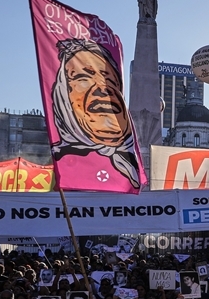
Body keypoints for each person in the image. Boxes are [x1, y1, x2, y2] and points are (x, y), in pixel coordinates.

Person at [49, 38, 141, 189]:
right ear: (63, 97)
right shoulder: (62, 162)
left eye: (108, 79)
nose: (102, 88)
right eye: (83, 77)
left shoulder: (133, 167)